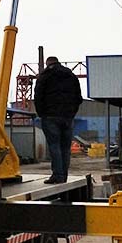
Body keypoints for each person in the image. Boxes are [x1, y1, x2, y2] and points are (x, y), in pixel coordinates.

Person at [34, 56, 83, 184]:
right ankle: (63, 176)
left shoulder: (44, 76)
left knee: (54, 146)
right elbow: (79, 98)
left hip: (50, 117)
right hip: (67, 117)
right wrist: (71, 113)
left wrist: (42, 114)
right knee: (65, 148)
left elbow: (38, 97)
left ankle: (57, 175)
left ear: (47, 63)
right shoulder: (71, 76)